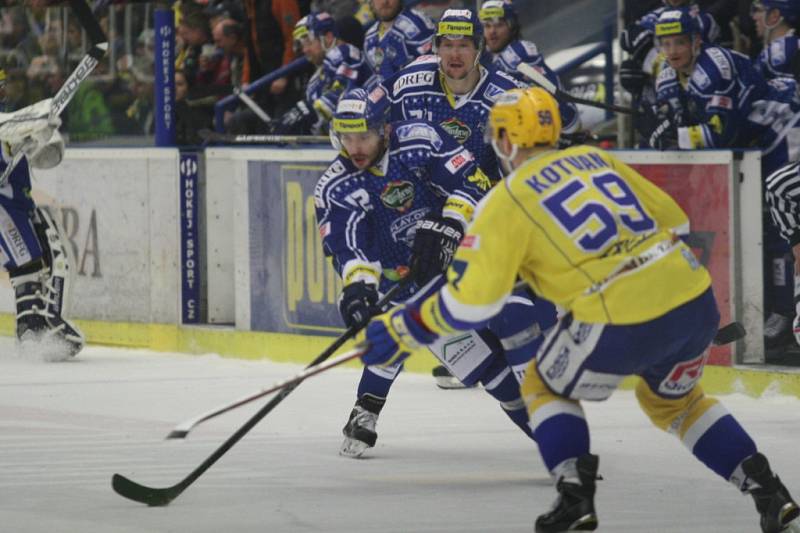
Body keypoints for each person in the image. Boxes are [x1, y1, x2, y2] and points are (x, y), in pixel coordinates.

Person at [357, 86, 800, 533]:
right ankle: (769, 492)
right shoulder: (598, 160)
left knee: (543, 385)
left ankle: (575, 499)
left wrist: (403, 325)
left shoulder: (505, 200)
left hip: (619, 311)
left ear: (508, 141)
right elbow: (678, 222)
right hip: (692, 298)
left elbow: (472, 301)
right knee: (677, 403)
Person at [316, 87, 555, 458]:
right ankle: (367, 407)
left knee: (517, 314)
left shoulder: (422, 139)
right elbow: (349, 247)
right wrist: (359, 289)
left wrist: (450, 224)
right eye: (347, 137)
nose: (355, 146)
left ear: (385, 129)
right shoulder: (335, 186)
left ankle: (561, 438)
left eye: (363, 136)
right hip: (402, 281)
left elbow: (473, 183)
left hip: (467, 257)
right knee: (487, 369)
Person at [646, 6, 800, 349]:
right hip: (754, 145)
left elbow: (719, 136)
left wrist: (675, 134)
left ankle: (787, 312)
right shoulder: (668, 75)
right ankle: (777, 310)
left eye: (679, 43)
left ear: (696, 41)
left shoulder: (713, 67)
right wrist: (661, 127)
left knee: (781, 225)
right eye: (665, 44)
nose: (672, 52)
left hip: (783, 129)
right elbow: (670, 126)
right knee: (759, 228)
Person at [375, 8, 525, 182]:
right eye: (447, 45)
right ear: (436, 49)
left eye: (463, 45)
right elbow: (368, 108)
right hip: (423, 198)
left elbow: (518, 175)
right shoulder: (411, 80)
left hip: (484, 199)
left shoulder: (507, 96)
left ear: (479, 48)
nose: (454, 55)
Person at [0, 68, 84, 361]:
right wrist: (40, 115)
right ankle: (30, 330)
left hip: (19, 203)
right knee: (28, 267)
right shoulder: (6, 123)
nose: (3, 91)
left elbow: (42, 152)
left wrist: (41, 133)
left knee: (44, 259)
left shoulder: (8, 122)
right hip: (4, 209)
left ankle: (39, 325)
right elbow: (14, 125)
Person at [477, 0, 580, 134]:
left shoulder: (518, 51)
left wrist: (566, 126)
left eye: (499, 25)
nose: (492, 32)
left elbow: (550, 93)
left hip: (554, 131)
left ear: (511, 26)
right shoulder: (491, 55)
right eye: (487, 26)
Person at [272, 11, 371, 135]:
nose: (305, 50)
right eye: (302, 44)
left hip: (357, 138)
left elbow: (343, 93)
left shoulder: (346, 52)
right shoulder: (318, 75)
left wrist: (308, 112)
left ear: (328, 37)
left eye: (308, 42)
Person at [362, 0, 435, 87]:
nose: (385, 1)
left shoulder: (418, 23)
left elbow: (434, 66)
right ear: (371, 2)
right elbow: (378, 76)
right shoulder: (369, 38)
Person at [751, 0, 800, 81]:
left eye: (759, 10)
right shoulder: (793, 45)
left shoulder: (775, 54)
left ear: (774, 15)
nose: (754, 17)